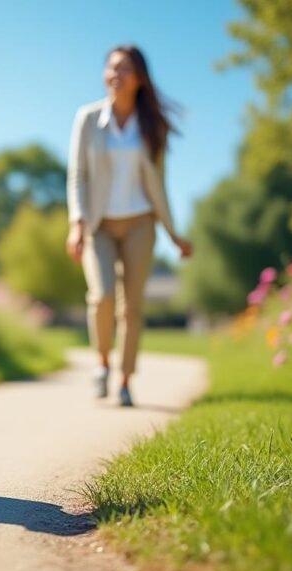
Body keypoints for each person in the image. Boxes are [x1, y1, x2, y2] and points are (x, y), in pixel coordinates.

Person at [65, 45, 192, 407]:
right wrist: (77, 224)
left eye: (124, 69)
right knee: (102, 296)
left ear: (139, 79)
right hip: (99, 224)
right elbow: (77, 175)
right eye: (111, 67)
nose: (115, 75)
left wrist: (173, 234)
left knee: (132, 308)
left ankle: (124, 381)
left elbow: (159, 185)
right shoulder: (88, 119)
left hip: (140, 223)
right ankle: (102, 363)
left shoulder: (152, 126)